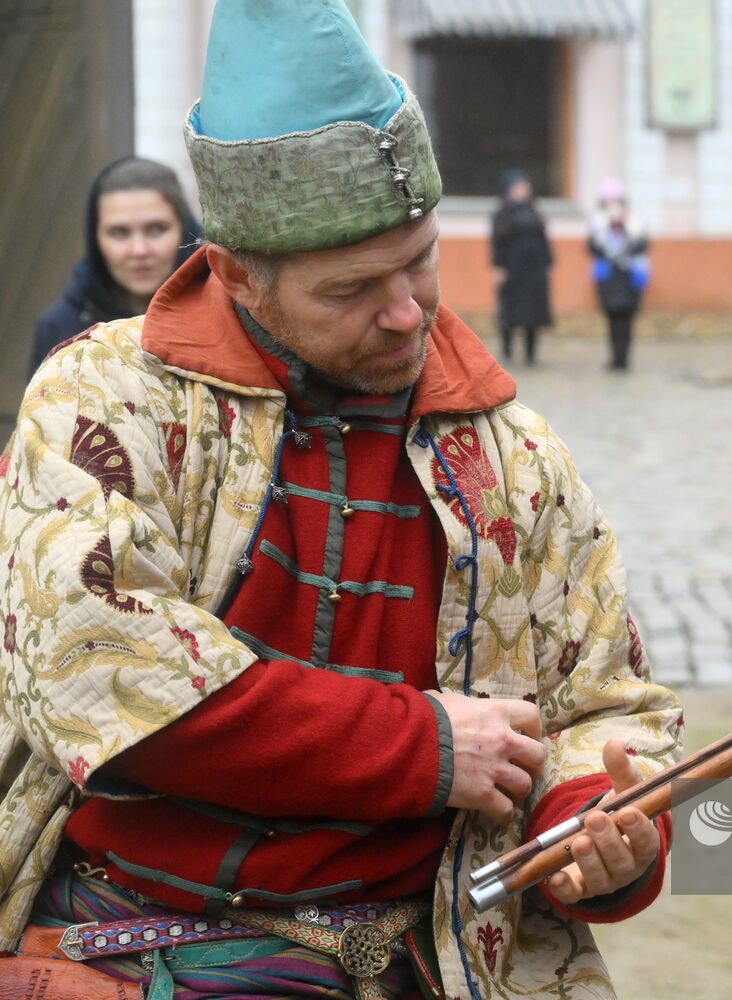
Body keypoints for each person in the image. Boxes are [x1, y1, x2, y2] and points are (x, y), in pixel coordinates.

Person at [0, 4, 681, 999]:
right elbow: (95, 664)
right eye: (354, 287)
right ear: (238, 274)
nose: (408, 311)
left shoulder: (516, 455)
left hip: (412, 962)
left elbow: (609, 705)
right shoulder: (104, 396)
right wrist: (425, 746)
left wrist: (595, 827)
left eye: (421, 262)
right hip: (132, 950)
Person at [29, 156, 202, 377]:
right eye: (119, 233)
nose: (139, 250)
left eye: (157, 229)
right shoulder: (60, 329)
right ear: (95, 238)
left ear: (185, 229)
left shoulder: (226, 316)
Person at [490, 170, 553, 365]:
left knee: (533, 312)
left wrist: (548, 262)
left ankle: (530, 353)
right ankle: (507, 351)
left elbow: (543, 239)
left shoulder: (534, 211)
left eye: (525, 186)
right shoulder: (502, 214)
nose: (523, 190)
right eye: (519, 187)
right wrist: (498, 266)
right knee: (509, 311)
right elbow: (497, 242)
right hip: (512, 268)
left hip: (534, 269)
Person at [587, 179, 649, 371]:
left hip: (629, 276)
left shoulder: (634, 221)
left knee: (627, 318)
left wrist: (625, 231)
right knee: (612, 318)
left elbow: (642, 245)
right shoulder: (598, 222)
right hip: (608, 276)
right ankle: (614, 356)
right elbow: (592, 247)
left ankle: (624, 357)